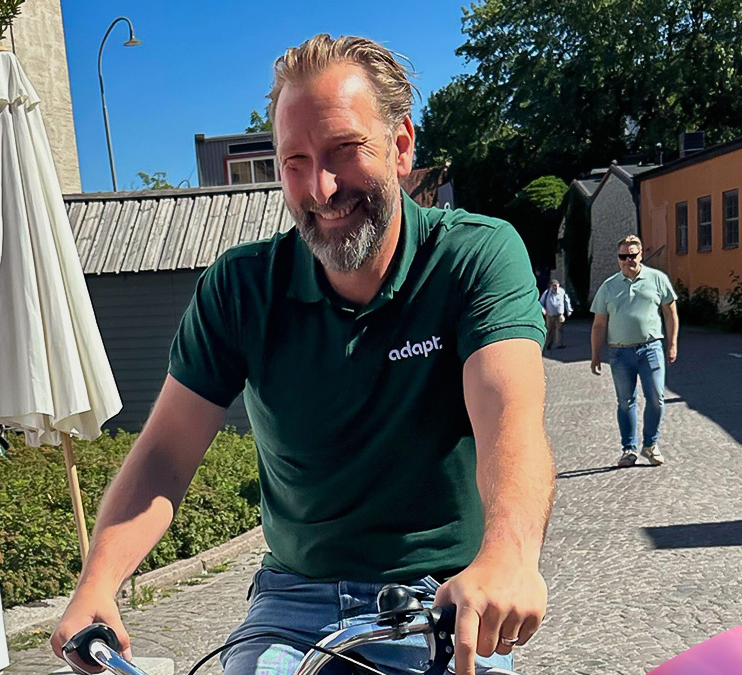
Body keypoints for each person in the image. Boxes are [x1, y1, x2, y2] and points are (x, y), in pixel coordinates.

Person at [51, 34, 556, 675]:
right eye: (294, 161)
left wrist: (509, 555)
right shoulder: (241, 288)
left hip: (438, 595)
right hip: (292, 601)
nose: (320, 188)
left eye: (345, 151)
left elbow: (511, 420)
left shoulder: (474, 258)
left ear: (401, 146)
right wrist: (97, 583)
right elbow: (164, 455)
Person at [589, 235, 678, 468]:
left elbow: (670, 313)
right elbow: (599, 324)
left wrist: (672, 344)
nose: (628, 260)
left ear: (641, 255)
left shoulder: (657, 279)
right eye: (623, 256)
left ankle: (650, 445)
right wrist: (596, 354)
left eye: (632, 255)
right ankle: (629, 449)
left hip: (651, 349)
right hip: (620, 354)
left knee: (657, 398)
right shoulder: (608, 287)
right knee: (625, 401)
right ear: (618, 259)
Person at [538, 280, 572, 349]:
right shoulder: (547, 292)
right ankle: (548, 344)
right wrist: (543, 310)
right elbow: (541, 302)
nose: (555, 287)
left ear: (558, 285)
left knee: (559, 329)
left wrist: (569, 311)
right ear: (551, 286)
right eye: (553, 286)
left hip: (559, 314)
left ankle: (560, 344)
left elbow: (566, 301)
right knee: (549, 330)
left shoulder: (562, 292)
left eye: (556, 286)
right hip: (550, 314)